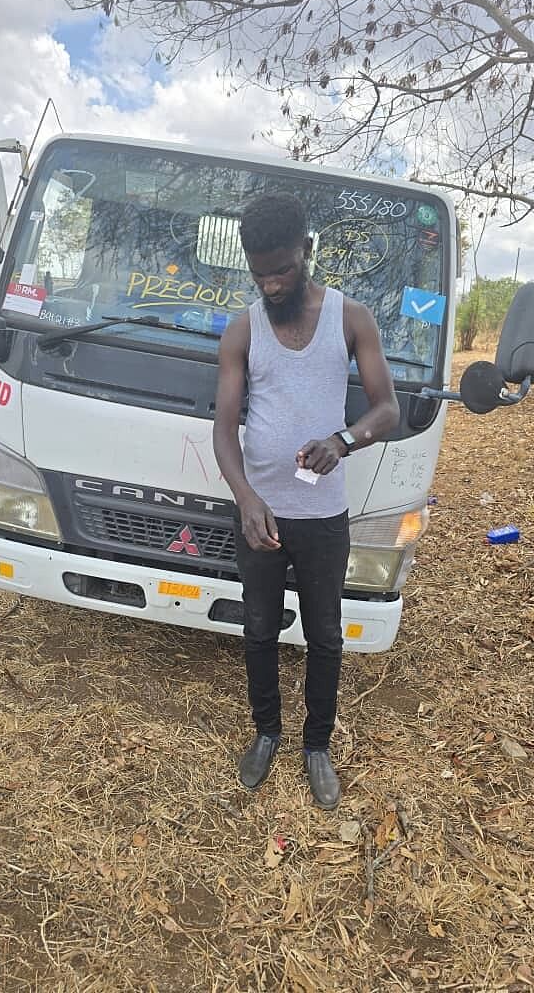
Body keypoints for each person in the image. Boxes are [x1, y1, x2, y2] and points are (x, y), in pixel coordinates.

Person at [212, 192, 400, 810]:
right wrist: (245, 498)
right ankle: (266, 732)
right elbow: (224, 429)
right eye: (260, 274)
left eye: (283, 270)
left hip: (323, 517)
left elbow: (387, 410)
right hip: (261, 516)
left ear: (308, 251)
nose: (271, 285)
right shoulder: (243, 330)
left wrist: (343, 441)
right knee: (259, 628)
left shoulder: (351, 319)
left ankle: (316, 745)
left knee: (324, 635)